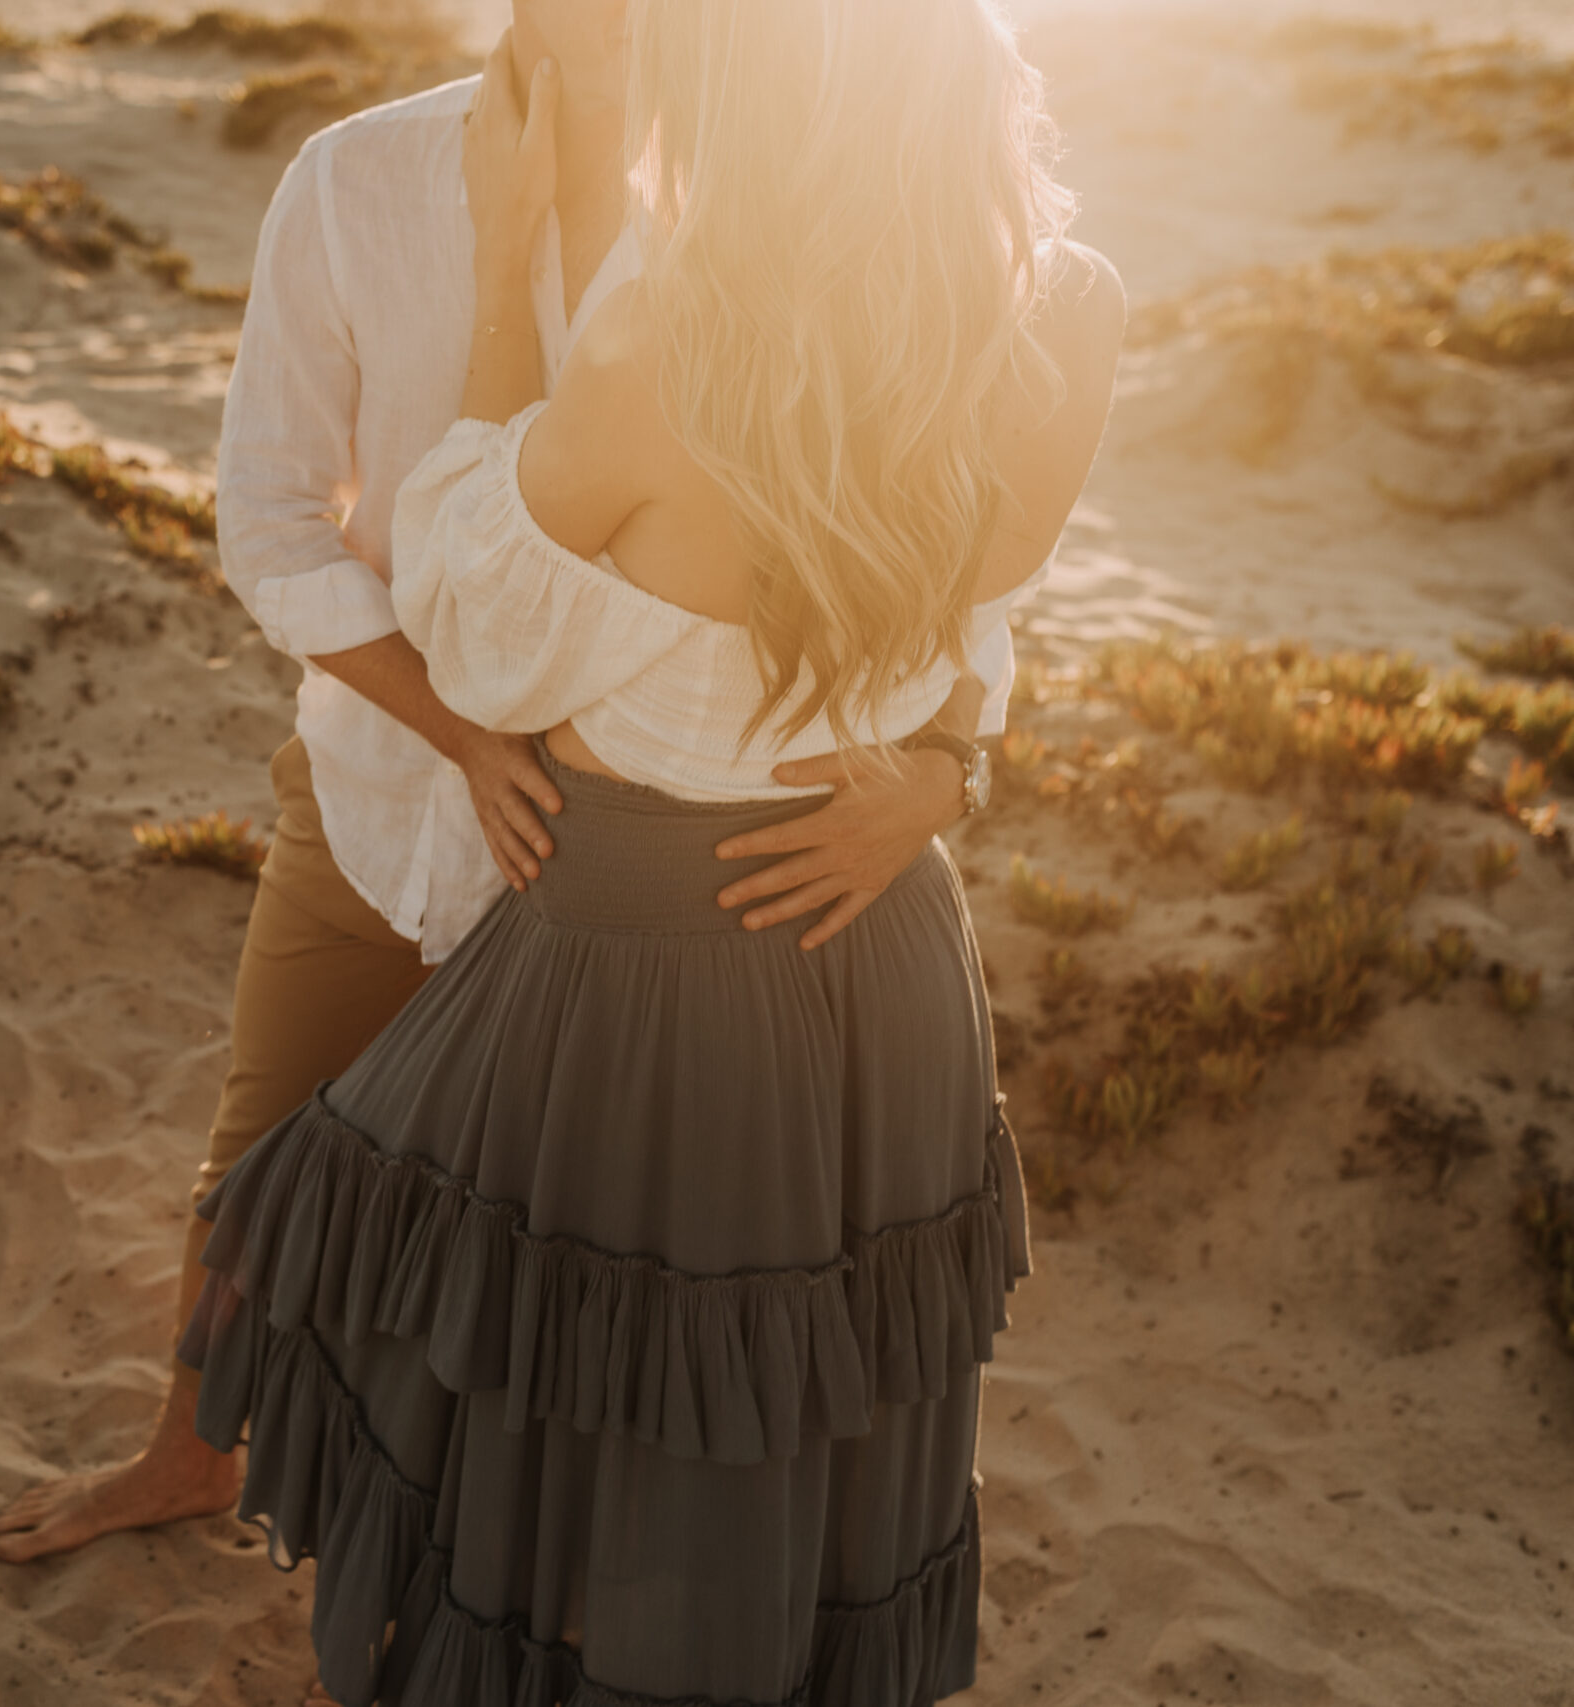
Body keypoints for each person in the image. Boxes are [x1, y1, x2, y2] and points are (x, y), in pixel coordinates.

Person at [181, 0, 1124, 1699]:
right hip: (880, 954)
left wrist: (500, 288)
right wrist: (940, 763)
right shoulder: (1067, 310)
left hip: (646, 945)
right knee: (782, 1398)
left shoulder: (680, 330)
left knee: (589, 1375)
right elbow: (976, 603)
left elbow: (484, 640)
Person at [0, 0, 1014, 1566]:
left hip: (647, 884)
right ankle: (191, 1451)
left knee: (550, 1257)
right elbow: (271, 519)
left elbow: (953, 543)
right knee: (264, 1160)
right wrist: (462, 730)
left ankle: (475, 1567)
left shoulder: (779, 197)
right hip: (383, 797)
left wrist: (948, 760)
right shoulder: (356, 178)